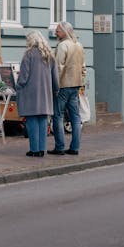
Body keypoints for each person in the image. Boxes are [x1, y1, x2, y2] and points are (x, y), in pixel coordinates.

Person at [15, 31, 59, 158]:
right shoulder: (49, 55)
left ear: (31, 41)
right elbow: (55, 76)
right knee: (43, 120)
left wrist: (17, 86)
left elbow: (23, 77)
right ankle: (42, 149)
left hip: (31, 93)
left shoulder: (28, 54)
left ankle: (34, 150)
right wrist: (56, 89)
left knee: (32, 119)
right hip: (45, 92)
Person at [48, 21, 86, 156]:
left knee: (58, 116)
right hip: (76, 84)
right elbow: (83, 67)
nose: (55, 32)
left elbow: (58, 68)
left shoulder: (62, 46)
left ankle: (59, 147)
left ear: (65, 31)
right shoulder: (79, 45)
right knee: (75, 117)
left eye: (58, 30)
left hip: (63, 85)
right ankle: (75, 147)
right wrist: (82, 83)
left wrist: (55, 86)